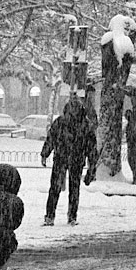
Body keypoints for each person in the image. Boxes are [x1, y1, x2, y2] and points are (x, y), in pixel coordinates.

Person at [41, 96, 98, 226]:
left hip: (70, 160)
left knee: (69, 189)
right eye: (72, 107)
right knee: (60, 188)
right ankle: (57, 216)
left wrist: (92, 166)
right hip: (67, 159)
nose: (74, 110)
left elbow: (91, 147)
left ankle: (65, 216)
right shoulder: (66, 123)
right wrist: (45, 153)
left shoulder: (78, 124)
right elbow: (51, 139)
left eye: (75, 108)